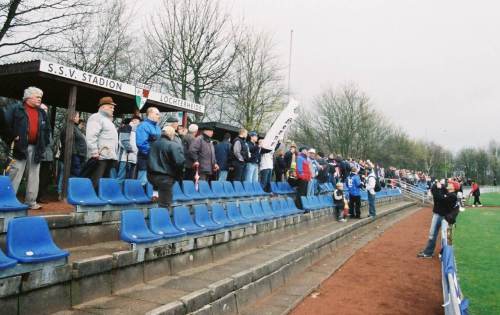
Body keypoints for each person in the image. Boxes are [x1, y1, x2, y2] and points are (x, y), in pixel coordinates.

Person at [8, 87, 51, 210]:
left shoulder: (42, 113)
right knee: (15, 173)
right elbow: (5, 125)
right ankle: (8, 200)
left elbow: (47, 130)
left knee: (34, 175)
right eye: (37, 96)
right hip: (19, 148)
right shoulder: (16, 109)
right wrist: (11, 137)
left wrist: (44, 143)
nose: (40, 99)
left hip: (36, 148)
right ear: (28, 97)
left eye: (40, 97)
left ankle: (31, 202)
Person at [85, 96, 119, 190]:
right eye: (111, 107)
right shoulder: (96, 117)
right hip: (99, 157)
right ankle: (89, 202)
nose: (113, 109)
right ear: (103, 107)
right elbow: (91, 136)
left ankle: (98, 202)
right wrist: (94, 152)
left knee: (103, 183)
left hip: (108, 157)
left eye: (113, 107)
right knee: (95, 182)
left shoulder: (108, 121)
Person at [418, 181, 458, 258]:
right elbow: (435, 192)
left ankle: (429, 253)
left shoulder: (453, 196)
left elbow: (440, 198)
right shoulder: (447, 192)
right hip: (440, 215)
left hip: (442, 217)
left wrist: (439, 188)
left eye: (451, 184)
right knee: (434, 234)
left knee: (439, 235)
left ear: (454, 187)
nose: (448, 184)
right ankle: (429, 252)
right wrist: (437, 186)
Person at [147, 126, 185, 208]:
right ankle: (161, 220)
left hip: (151, 177)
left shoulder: (152, 144)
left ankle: (155, 195)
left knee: (161, 203)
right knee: (165, 204)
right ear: (172, 135)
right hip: (165, 178)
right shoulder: (173, 145)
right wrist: (178, 177)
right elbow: (179, 163)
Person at [135, 107, 161, 185]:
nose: (158, 116)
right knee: (143, 181)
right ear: (150, 114)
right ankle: (139, 196)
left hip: (156, 159)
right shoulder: (143, 126)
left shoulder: (158, 128)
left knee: (153, 182)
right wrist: (152, 154)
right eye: (157, 114)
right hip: (145, 158)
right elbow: (141, 143)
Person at [37, 104, 54, 203]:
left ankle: (41, 196)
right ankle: (36, 197)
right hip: (39, 155)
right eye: (43, 109)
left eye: (47, 109)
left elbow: (51, 141)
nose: (45, 111)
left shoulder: (47, 123)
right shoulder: (38, 121)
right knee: (37, 177)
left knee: (45, 178)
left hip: (48, 156)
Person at [116, 116, 141, 182]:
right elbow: (123, 141)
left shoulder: (137, 131)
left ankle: (124, 191)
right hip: (125, 157)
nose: (137, 122)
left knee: (128, 179)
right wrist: (130, 149)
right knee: (121, 178)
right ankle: (118, 191)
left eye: (138, 121)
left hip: (132, 158)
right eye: (135, 120)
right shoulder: (127, 127)